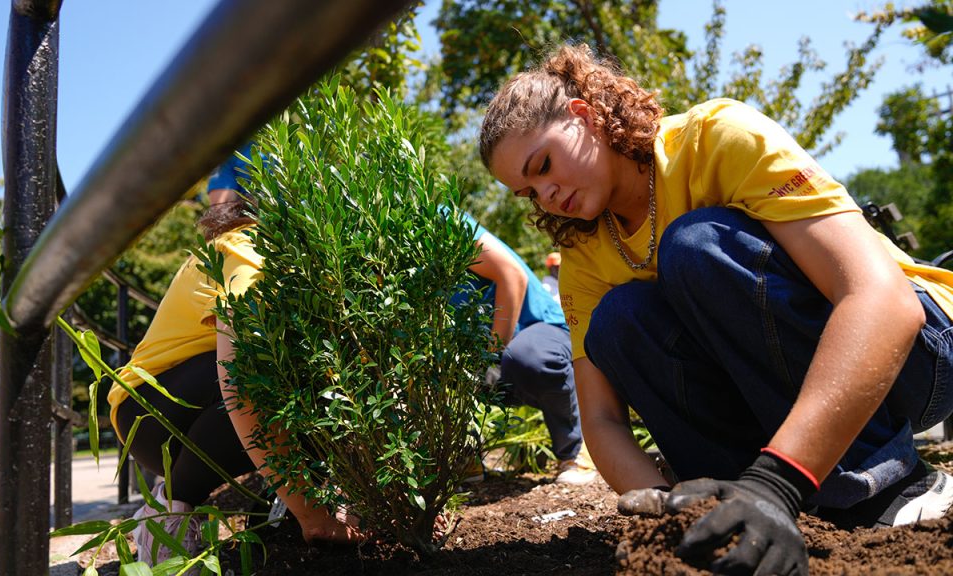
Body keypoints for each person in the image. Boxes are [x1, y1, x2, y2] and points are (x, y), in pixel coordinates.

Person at [478, 43, 953, 575]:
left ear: (585, 117)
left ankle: (882, 484)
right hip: (777, 400)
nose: (546, 194)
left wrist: (780, 481)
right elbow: (603, 419)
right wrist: (675, 515)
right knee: (620, 317)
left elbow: (880, 300)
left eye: (542, 165)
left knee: (694, 246)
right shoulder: (584, 254)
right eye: (528, 191)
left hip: (915, 355)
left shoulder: (716, 139)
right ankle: (738, 501)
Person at [109, 143, 363, 570]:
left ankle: (267, 516)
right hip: (148, 413)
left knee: (310, 371)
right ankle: (167, 521)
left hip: (177, 406)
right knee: (273, 370)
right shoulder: (250, 251)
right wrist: (310, 514)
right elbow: (239, 380)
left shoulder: (268, 257)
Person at [457, 211, 596, 485]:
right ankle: (466, 461)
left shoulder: (441, 221)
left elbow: (512, 275)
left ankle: (576, 452)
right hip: (482, 356)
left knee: (529, 357)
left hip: (537, 331)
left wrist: (492, 355)